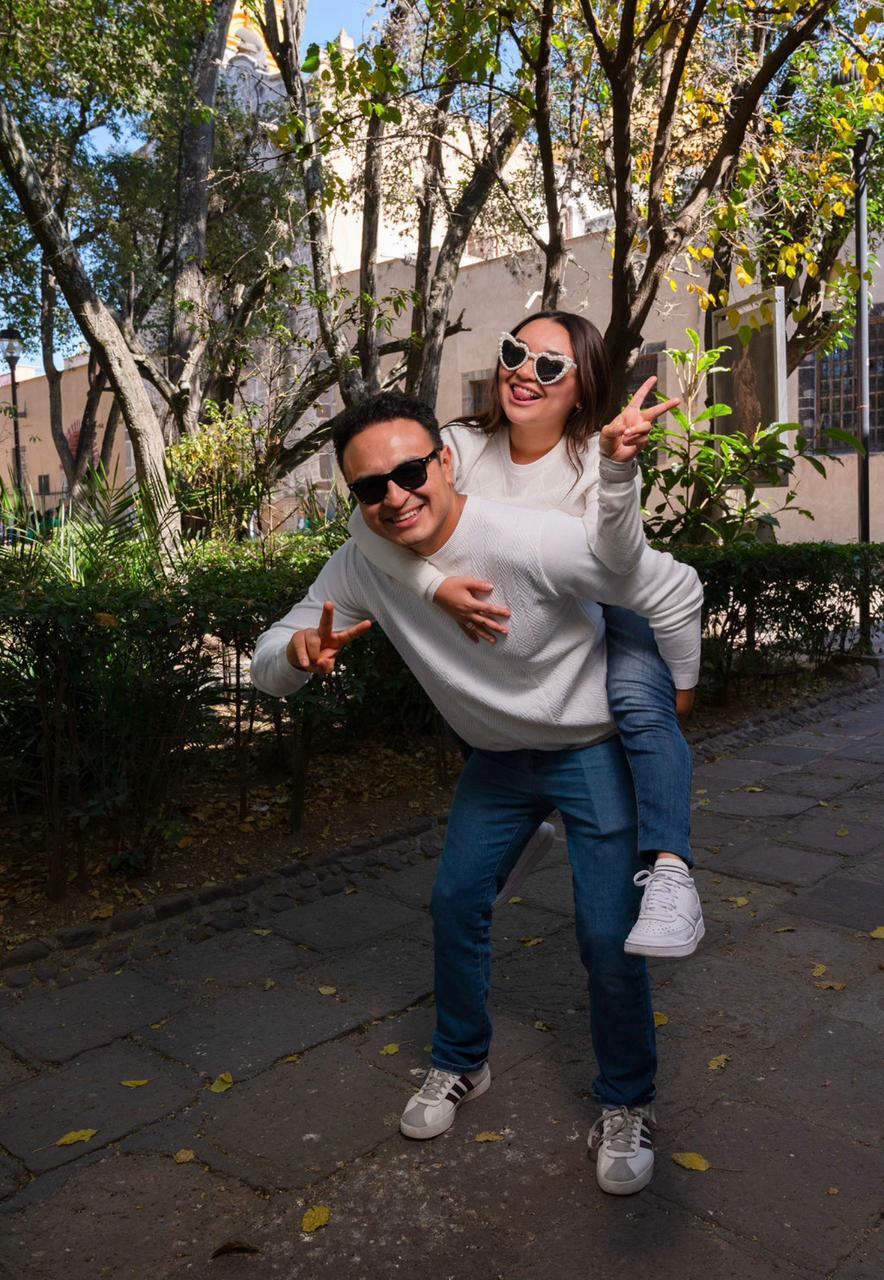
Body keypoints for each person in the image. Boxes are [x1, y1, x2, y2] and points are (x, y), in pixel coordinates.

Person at [250, 390, 704, 1195]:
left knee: (609, 938)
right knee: (456, 902)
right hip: (497, 759)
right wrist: (297, 655)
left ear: (445, 462)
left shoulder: (530, 539)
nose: (395, 496)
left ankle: (628, 1101)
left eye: (410, 472)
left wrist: (682, 690)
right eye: (370, 487)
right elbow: (269, 659)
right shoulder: (364, 561)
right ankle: (462, 1061)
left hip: (588, 748)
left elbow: (670, 586)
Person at [347, 312, 704, 959]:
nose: (524, 373)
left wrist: (617, 469)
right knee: (459, 672)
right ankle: (522, 832)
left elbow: (621, 565)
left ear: (582, 386)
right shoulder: (458, 445)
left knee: (639, 703)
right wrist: (433, 588)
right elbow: (364, 521)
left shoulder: (594, 454)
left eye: (549, 365)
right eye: (515, 352)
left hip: (601, 600)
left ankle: (671, 874)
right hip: (511, 617)